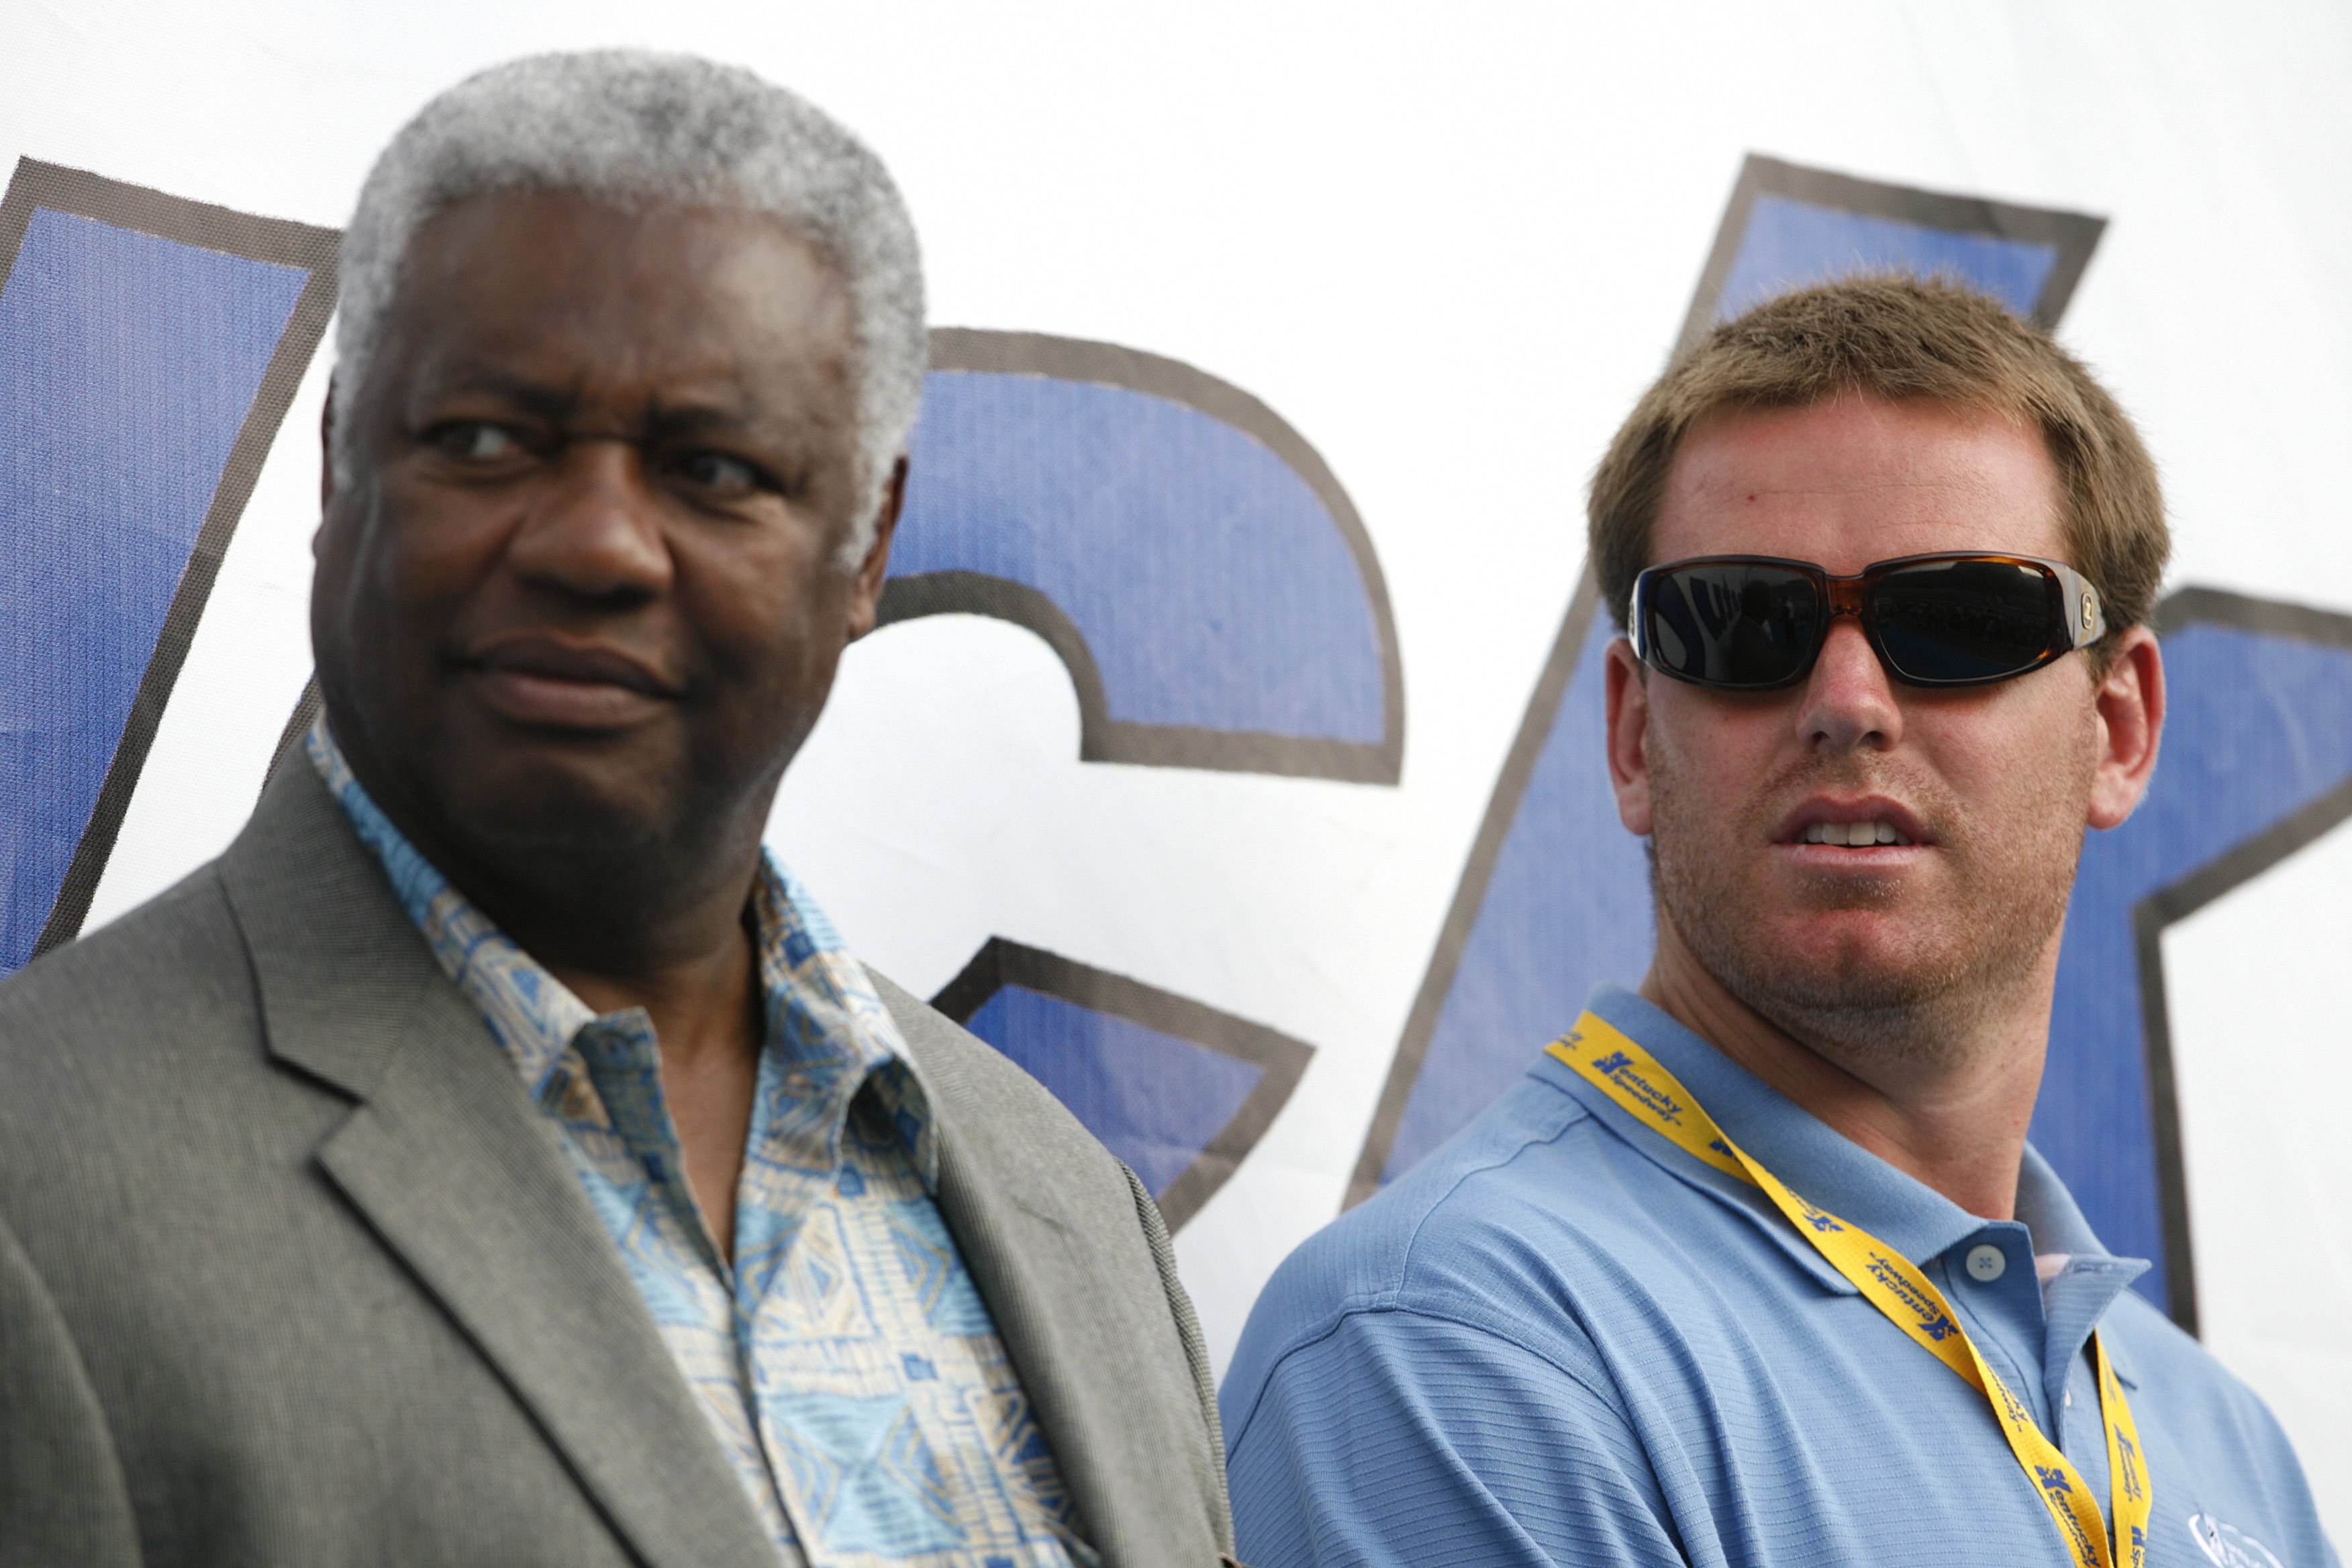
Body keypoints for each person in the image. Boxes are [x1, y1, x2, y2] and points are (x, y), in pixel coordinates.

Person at [0, 52, 1232, 1568]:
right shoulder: (39, 1197)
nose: (596, 544)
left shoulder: (1070, 1210)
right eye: (484, 439)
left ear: (865, 551)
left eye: (712, 468)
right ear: (335, 470)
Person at [1221, 279, 2339, 1567]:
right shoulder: (1449, 1340)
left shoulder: (2225, 1443)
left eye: (1960, 620)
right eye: (1747, 621)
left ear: (2121, 729)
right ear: (1636, 735)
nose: (1848, 699)